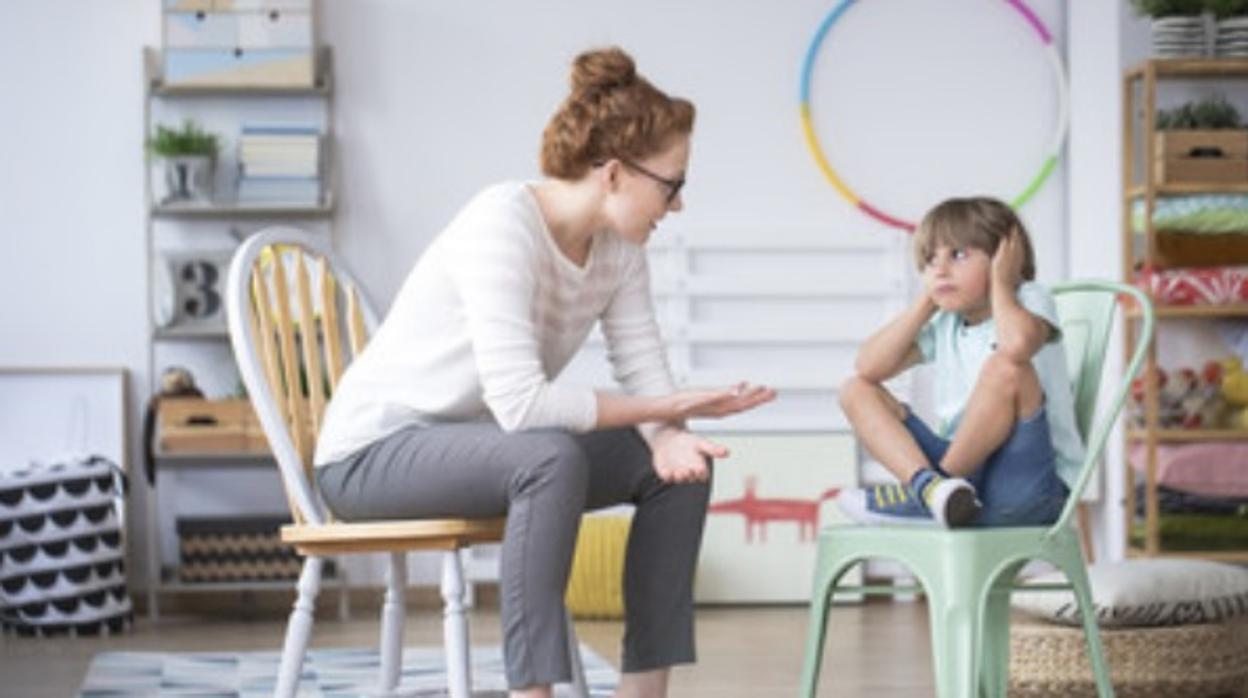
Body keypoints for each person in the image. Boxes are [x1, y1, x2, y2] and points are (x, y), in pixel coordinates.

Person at [312, 47, 775, 698]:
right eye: (672, 186)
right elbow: (522, 407)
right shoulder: (501, 225)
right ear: (615, 174)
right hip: (371, 456)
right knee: (551, 457)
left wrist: (670, 430)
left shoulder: (619, 251)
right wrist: (659, 411)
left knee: (681, 466)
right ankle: (533, 692)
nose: (677, 205)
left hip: (486, 448)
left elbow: (643, 370)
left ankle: (643, 692)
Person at [835, 197, 1083, 528]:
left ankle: (932, 496)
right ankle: (931, 489)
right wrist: (927, 301)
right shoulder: (948, 324)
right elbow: (868, 366)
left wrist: (1002, 285)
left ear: (1003, 260)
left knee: (1006, 366)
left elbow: (1017, 346)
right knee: (856, 389)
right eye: (930, 260)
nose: (940, 269)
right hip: (965, 487)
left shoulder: (1028, 299)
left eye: (958, 255)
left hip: (1029, 484)